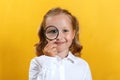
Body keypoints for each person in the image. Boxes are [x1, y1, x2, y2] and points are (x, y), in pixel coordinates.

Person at [29, 7, 92, 80]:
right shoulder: (37, 63)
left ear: (73, 34)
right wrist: (50, 60)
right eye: (53, 31)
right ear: (44, 35)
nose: (59, 36)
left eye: (65, 30)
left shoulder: (82, 65)